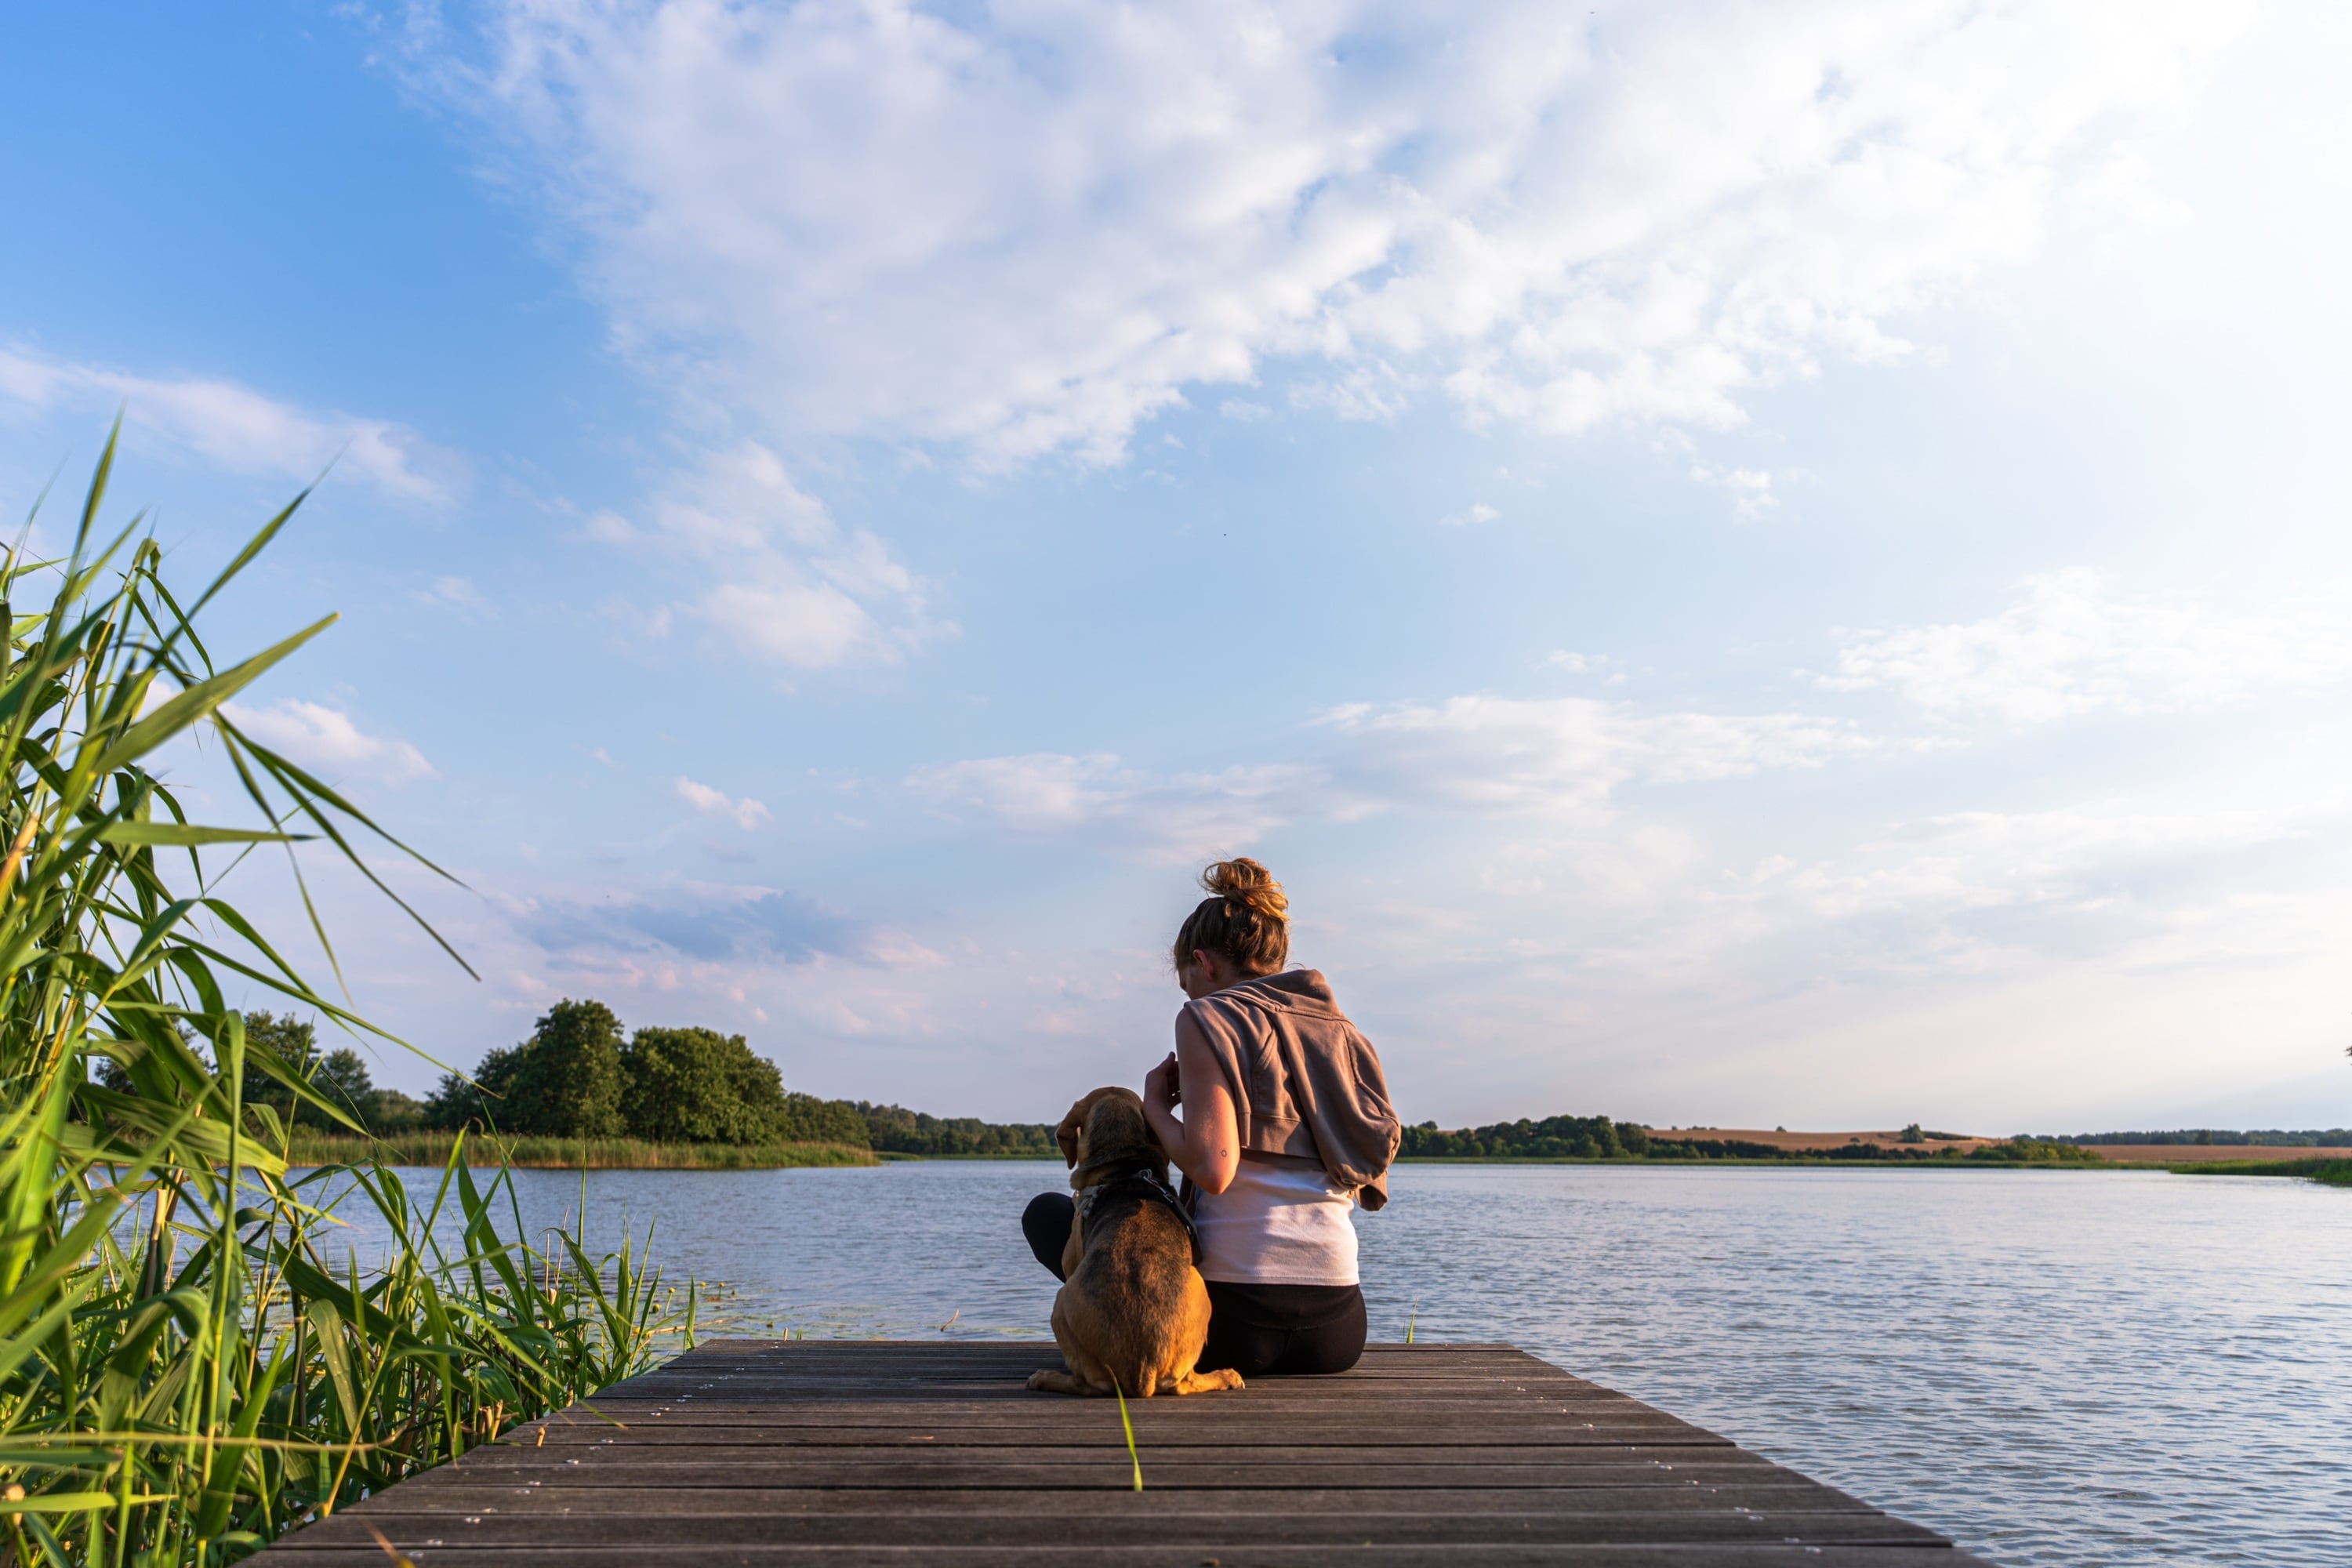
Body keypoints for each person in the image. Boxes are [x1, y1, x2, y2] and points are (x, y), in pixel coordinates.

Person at [1022, 858, 1400, 1376]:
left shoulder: (1207, 1014)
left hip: (1235, 1325)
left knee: (1047, 1215)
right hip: (1337, 1330)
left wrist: (1156, 1106)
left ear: (1203, 964)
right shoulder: (1340, 1031)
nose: (1190, 997)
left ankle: (1113, 1349)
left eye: (1187, 985)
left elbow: (1213, 1168)